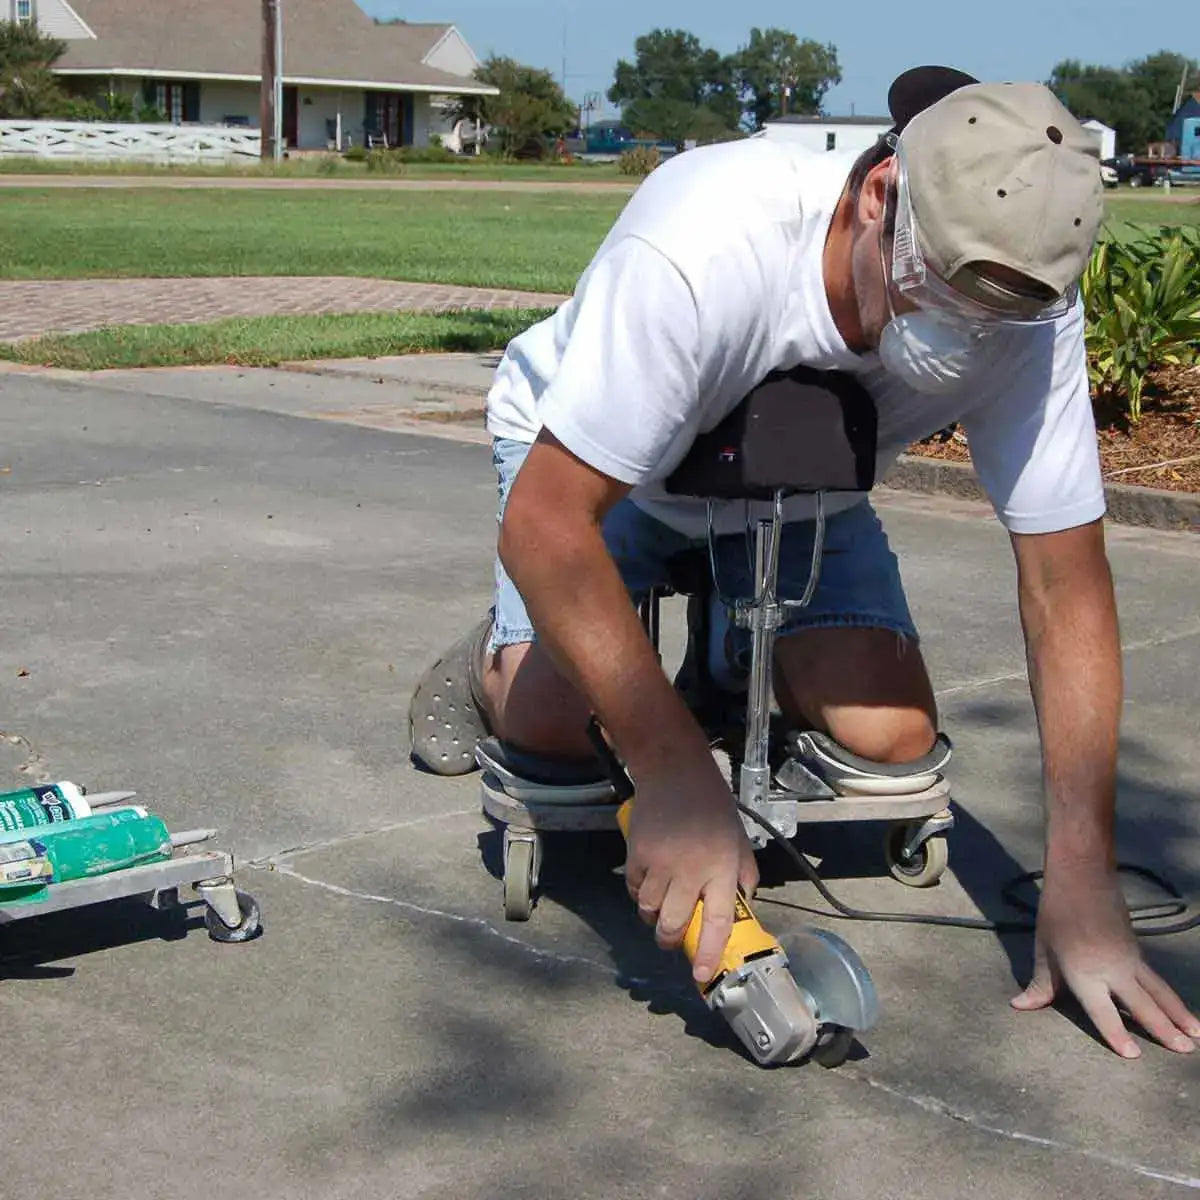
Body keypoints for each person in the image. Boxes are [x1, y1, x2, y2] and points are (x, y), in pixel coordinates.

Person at [409, 67, 1199, 1059]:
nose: (967, 341)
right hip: (607, 472)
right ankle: (504, 656)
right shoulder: (707, 237)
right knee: (555, 725)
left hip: (802, 490)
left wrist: (1081, 873)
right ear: (881, 197)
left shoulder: (1029, 300)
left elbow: (1064, 579)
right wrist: (672, 776)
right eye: (945, 297)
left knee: (891, 735)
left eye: (996, 318)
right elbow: (547, 526)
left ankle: (722, 657)